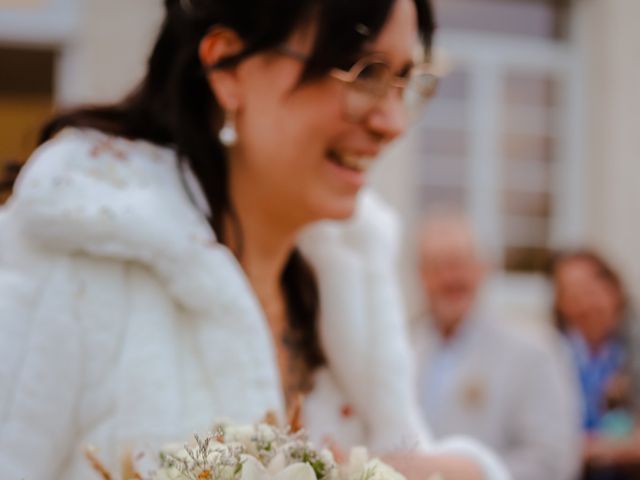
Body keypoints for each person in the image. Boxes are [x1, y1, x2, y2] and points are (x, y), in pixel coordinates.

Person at [0, 0, 509, 479]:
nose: (392, 122)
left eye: (404, 79)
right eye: (363, 71)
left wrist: (457, 471)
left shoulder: (351, 275)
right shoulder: (76, 251)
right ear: (227, 68)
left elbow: (407, 453)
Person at [412, 213, 582, 480]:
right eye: (437, 267)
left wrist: (467, 473)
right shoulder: (404, 348)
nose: (450, 278)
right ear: (421, 276)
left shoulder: (534, 351)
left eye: (459, 264)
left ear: (483, 269)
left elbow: (553, 461)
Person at [551, 250, 640, 479]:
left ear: (615, 291)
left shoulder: (631, 353)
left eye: (592, 290)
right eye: (572, 294)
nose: (586, 304)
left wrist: (593, 448)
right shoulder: (551, 354)